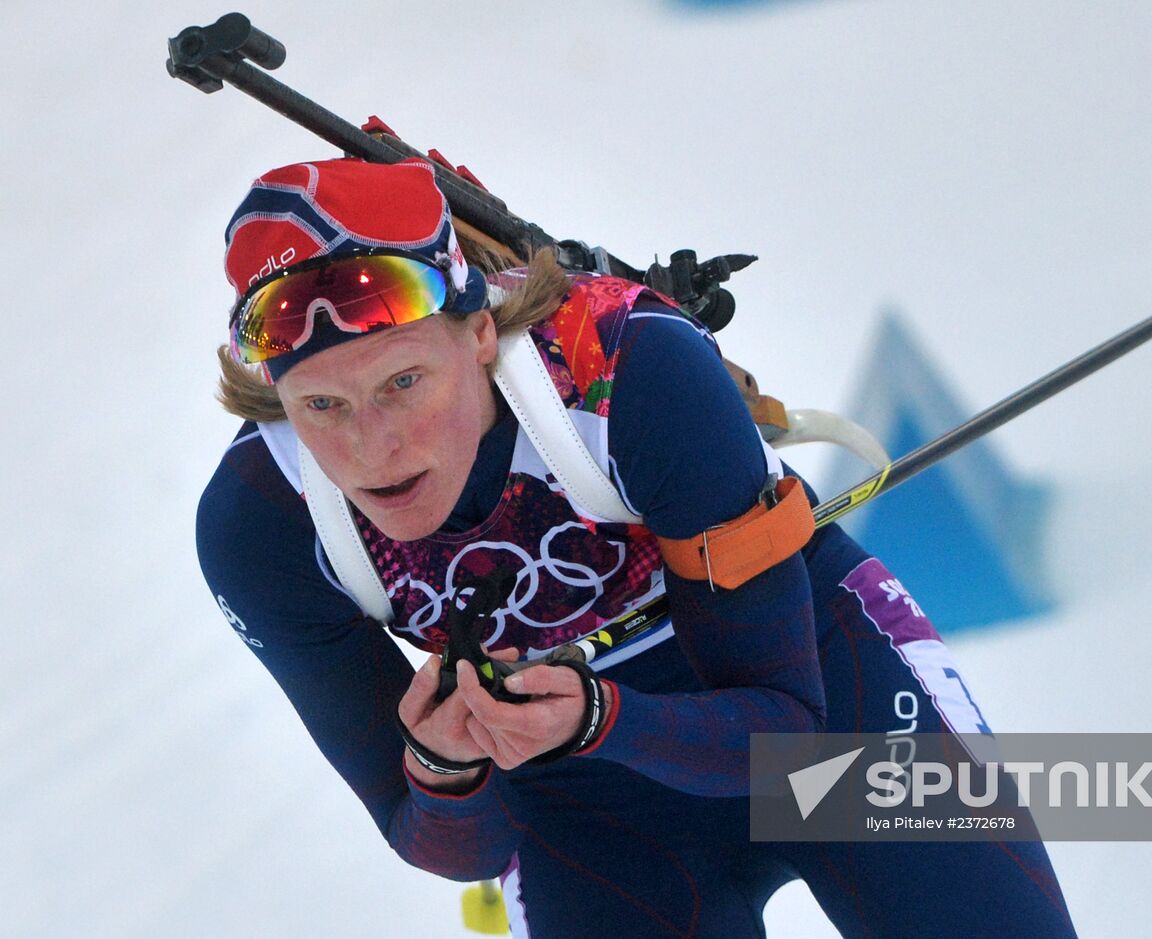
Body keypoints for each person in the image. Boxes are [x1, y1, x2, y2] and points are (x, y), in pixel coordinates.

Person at [197, 156, 1076, 937]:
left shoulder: (628, 367)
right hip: (581, 802)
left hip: (823, 693)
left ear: (479, 332)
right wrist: (446, 766)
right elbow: (453, 845)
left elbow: (789, 730)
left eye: (403, 381)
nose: (373, 448)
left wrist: (600, 715)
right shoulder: (263, 525)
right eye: (322, 406)